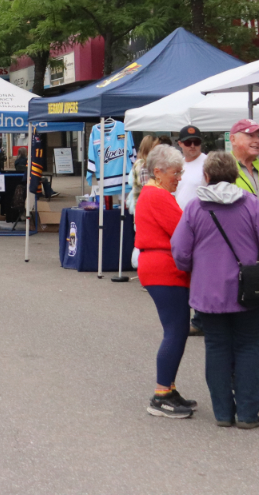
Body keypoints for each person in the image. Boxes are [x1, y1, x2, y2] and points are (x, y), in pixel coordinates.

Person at [171, 150, 259, 427]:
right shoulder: (252, 204)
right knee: (249, 346)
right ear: (235, 175)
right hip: (249, 288)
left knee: (217, 348)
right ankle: (247, 414)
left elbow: (180, 252)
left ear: (206, 176)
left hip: (208, 290)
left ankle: (222, 413)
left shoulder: (195, 208)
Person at [133, 143, 195, 419]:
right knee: (175, 330)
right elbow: (183, 232)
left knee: (177, 330)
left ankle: (168, 388)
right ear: (158, 171)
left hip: (160, 267)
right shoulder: (157, 196)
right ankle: (161, 394)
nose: (179, 177)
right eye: (176, 172)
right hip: (164, 269)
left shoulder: (152, 193)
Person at [175, 125, 206, 210]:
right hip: (179, 218)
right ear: (180, 143)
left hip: (199, 218)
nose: (192, 146)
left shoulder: (208, 163)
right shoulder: (178, 164)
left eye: (196, 142)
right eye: (188, 142)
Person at [129, 135, 160, 210]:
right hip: (145, 209)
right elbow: (147, 189)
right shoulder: (142, 164)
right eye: (156, 147)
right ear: (148, 148)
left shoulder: (143, 162)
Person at [229, 119, 259, 195]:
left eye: (258, 136)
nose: (257, 140)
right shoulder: (220, 169)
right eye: (250, 136)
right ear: (233, 139)